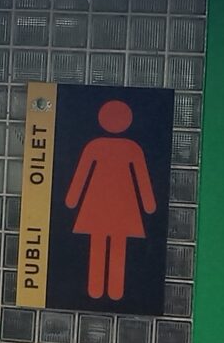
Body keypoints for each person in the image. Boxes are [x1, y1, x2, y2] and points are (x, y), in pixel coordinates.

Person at [63, 99, 156, 301]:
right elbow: (142, 179)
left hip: (97, 204)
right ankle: (114, 291)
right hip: (124, 206)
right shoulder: (132, 148)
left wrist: (72, 199)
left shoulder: (95, 146)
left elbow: (81, 175)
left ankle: (96, 289)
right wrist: (148, 205)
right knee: (117, 246)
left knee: (99, 244)